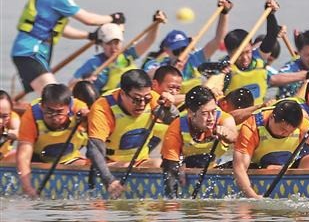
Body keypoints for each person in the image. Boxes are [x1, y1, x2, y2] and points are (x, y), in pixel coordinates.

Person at [11, 0, 125, 104]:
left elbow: (62, 30)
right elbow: (88, 19)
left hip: (33, 52)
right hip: (29, 52)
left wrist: (89, 36)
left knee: (47, 98)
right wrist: (112, 18)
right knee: (56, 98)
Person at [86, 69, 179, 199]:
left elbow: (175, 122)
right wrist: (109, 180)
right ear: (123, 93)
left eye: (146, 99)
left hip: (140, 161)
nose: (142, 104)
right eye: (136, 99)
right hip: (109, 164)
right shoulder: (102, 108)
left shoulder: (153, 99)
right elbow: (95, 150)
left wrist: (170, 108)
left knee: (161, 164)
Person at [233, 99, 309, 198]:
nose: (286, 134)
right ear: (271, 118)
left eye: (291, 131)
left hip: (288, 166)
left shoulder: (300, 122)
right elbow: (239, 168)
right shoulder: (251, 127)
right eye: (283, 129)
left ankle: (304, 192)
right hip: (260, 167)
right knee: (272, 168)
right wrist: (253, 196)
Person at [142, 0, 233, 92]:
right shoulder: (157, 64)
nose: (181, 53)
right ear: (167, 50)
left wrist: (224, 14)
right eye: (176, 51)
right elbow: (148, 75)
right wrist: (172, 71)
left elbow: (218, 40)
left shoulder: (195, 59)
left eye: (184, 48)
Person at [162, 86, 237, 197]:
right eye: (204, 113)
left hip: (219, 167)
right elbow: (170, 170)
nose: (211, 118)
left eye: (213, 111)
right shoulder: (176, 128)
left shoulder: (225, 119)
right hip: (189, 168)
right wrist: (171, 201)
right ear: (190, 113)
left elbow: (236, 138)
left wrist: (227, 135)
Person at [16, 83, 89, 197]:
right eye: (49, 111)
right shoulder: (31, 116)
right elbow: (23, 156)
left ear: (69, 107)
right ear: (42, 106)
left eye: (59, 112)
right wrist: (27, 187)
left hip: (70, 159)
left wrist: (88, 118)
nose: (55, 118)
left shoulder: (79, 109)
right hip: (38, 160)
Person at [71, 11, 165, 93]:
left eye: (116, 42)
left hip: (134, 97)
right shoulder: (94, 63)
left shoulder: (128, 54)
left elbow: (149, 40)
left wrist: (156, 24)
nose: (113, 48)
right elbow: (71, 84)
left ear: (121, 42)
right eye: (109, 43)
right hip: (109, 101)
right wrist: (84, 82)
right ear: (101, 44)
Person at [220, 0, 280, 104]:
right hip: (235, 114)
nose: (245, 58)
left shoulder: (259, 57)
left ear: (251, 46)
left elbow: (272, 35)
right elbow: (203, 69)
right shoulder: (225, 67)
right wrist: (220, 70)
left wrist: (270, 14)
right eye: (239, 54)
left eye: (247, 52)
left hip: (258, 111)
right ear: (229, 53)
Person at [0, 91, 21, 160]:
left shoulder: (12, 118)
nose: (0, 121)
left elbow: (20, 132)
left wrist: (5, 134)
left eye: (4, 116)